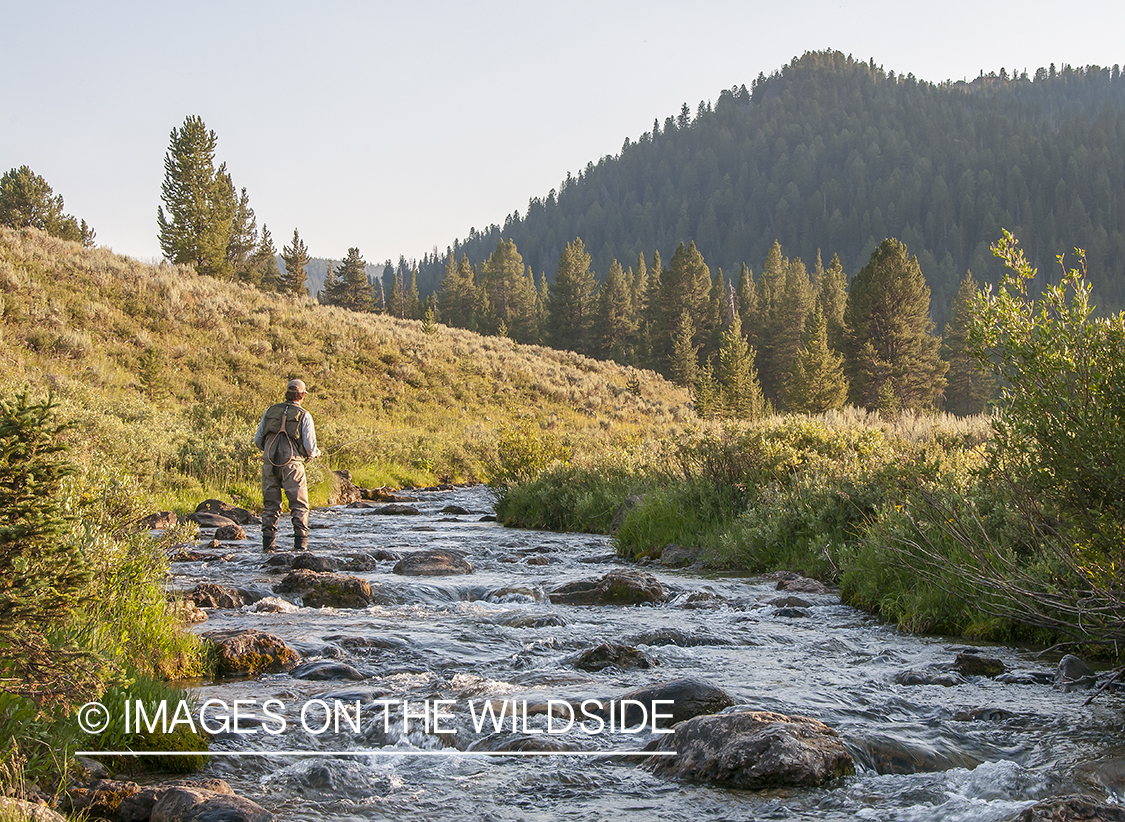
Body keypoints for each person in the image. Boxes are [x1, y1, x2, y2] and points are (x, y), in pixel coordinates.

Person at [254, 379, 320, 551]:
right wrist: (315, 453)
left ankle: (267, 547)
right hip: (293, 465)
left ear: (286, 393)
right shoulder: (304, 415)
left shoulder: (270, 411)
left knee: (270, 506)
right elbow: (310, 448)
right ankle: (300, 548)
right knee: (299, 506)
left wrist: (269, 452)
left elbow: (258, 440)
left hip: (269, 463)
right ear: (303, 395)